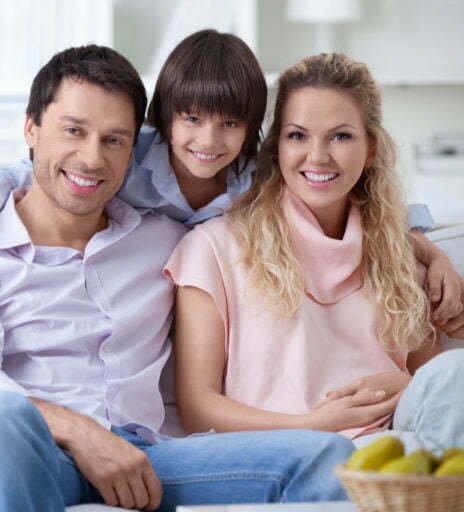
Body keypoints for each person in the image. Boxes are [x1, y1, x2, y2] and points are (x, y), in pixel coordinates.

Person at [0, 45, 354, 512]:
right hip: (28, 451)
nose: (92, 158)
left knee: (325, 456)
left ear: (136, 147)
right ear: (31, 127)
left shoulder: (167, 238)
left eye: (114, 140)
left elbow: (319, 193)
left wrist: (416, 241)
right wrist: (81, 432)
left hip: (146, 459)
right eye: (73, 131)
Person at [0, 29, 463, 329]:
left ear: (251, 130)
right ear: (164, 117)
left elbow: (352, 197)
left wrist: (427, 250)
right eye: (192, 120)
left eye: (230, 124)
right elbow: (26, 171)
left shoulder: (257, 176)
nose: (208, 142)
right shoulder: (127, 157)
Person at [165, 53, 464, 455]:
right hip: (287, 456)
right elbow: (198, 410)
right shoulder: (212, 248)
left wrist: (410, 387)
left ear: (370, 149)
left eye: (340, 136)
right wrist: (312, 427)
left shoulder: (398, 251)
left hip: (400, 452)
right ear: (276, 148)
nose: (318, 156)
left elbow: (439, 389)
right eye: (297, 136)